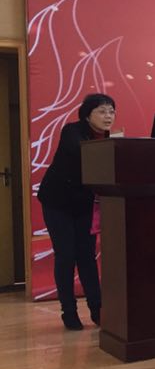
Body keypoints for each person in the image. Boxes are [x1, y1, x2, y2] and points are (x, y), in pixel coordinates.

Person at [38, 93, 117, 330]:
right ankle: (69, 311)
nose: (108, 116)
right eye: (102, 111)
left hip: (83, 204)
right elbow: (82, 152)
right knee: (66, 255)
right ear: (87, 115)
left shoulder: (108, 138)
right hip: (58, 202)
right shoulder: (72, 131)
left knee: (87, 256)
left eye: (111, 111)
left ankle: (97, 310)